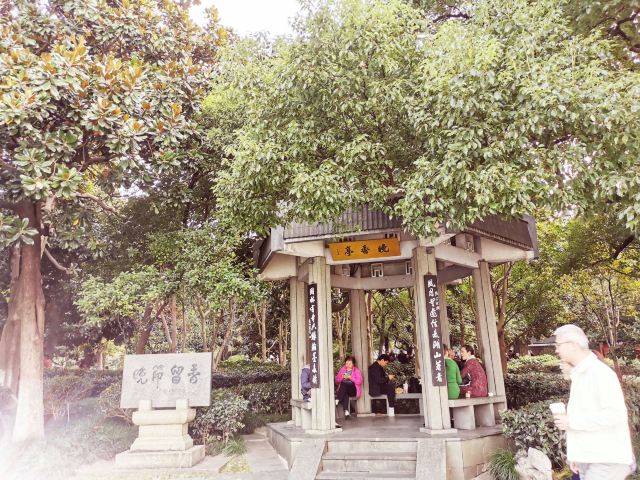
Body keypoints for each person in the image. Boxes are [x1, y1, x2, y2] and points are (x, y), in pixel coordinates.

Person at [552, 324, 633, 480]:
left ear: (572, 345)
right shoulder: (581, 374)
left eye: (558, 345)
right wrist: (577, 455)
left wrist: (571, 422)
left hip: (606, 460)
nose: (556, 350)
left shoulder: (599, 373)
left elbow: (615, 415)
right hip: (590, 458)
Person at [334, 355, 363, 419]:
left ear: (353, 364)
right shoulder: (342, 369)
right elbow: (336, 381)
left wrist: (350, 377)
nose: (347, 365)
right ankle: (346, 412)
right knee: (345, 391)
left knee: (344, 384)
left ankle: (338, 399)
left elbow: (359, 381)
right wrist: (342, 377)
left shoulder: (356, 370)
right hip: (344, 390)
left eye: (350, 364)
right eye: (346, 363)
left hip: (353, 390)